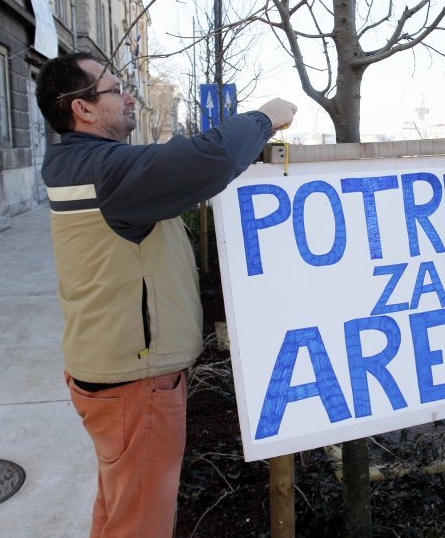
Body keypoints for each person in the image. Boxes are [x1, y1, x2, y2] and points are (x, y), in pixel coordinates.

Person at [35, 51, 297, 538]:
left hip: (107, 366)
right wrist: (264, 119)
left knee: (119, 507)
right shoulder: (107, 172)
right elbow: (205, 160)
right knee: (140, 523)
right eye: (115, 89)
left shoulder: (76, 164)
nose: (129, 95)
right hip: (135, 379)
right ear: (83, 109)